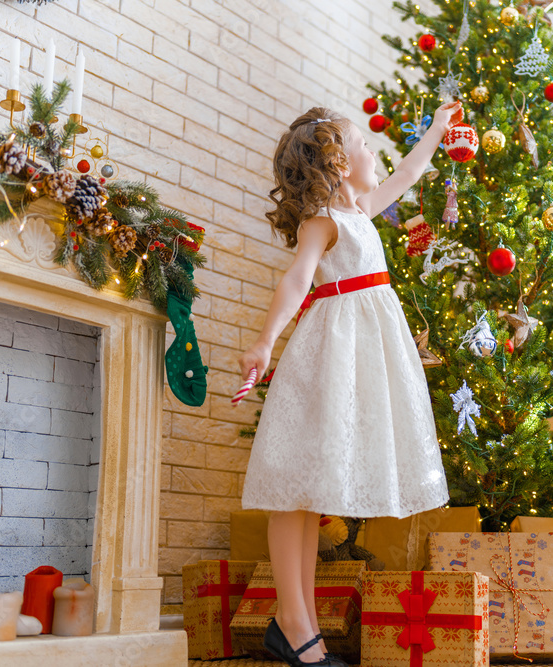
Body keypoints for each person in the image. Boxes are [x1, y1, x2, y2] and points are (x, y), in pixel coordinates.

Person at [237, 99, 463, 667]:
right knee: (296, 487)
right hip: (329, 355)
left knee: (312, 492)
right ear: (338, 163)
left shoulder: (363, 208)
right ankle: (294, 624)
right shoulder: (326, 222)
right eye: (363, 145)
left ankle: (297, 625)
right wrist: (264, 342)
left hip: (364, 356)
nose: (372, 152)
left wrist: (437, 128)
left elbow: (409, 172)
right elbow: (297, 279)